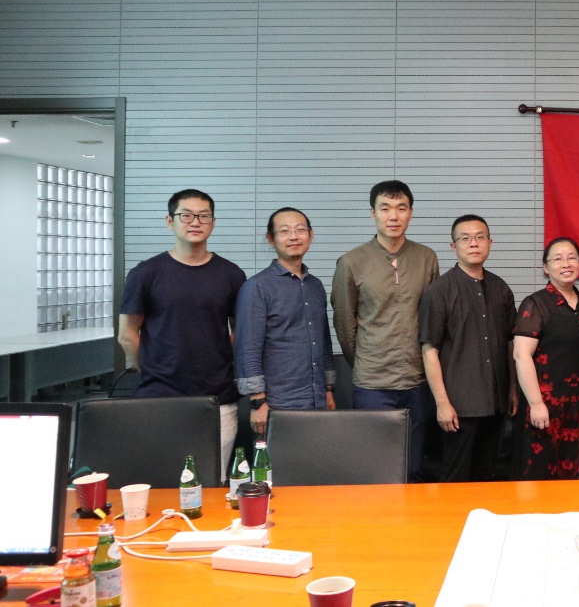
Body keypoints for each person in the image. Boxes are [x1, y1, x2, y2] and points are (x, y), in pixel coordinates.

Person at [118, 189, 246, 481]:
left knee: (213, 480)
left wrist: (217, 361)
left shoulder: (231, 274)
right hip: (159, 396)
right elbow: (127, 334)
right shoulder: (145, 273)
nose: (195, 222)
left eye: (204, 216)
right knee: (161, 479)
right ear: (170, 221)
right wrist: (153, 369)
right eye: (186, 215)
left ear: (213, 223)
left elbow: (240, 331)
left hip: (217, 396)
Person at [331, 180, 439, 482]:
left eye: (401, 208)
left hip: (418, 379)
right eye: (385, 208)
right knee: (375, 467)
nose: (393, 216)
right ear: (373, 213)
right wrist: (365, 359)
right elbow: (344, 323)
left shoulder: (426, 258)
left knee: (415, 466)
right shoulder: (351, 262)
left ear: (411, 213)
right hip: (373, 382)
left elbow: (433, 318)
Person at [420, 214, 517, 482]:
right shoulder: (438, 291)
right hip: (459, 405)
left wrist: (512, 390)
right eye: (465, 238)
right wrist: (442, 403)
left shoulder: (501, 288)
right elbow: (429, 351)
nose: (473, 243)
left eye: (479, 237)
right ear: (453, 246)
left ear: (489, 243)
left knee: (488, 476)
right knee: (456, 478)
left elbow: (510, 343)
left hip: (496, 403)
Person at [234, 208, 336, 436]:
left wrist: (328, 389)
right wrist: (258, 401)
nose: (293, 236)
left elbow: (323, 341)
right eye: (284, 231)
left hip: (317, 399)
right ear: (271, 239)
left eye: (300, 230)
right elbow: (248, 348)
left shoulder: (315, 286)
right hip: (277, 404)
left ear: (310, 235)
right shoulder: (257, 287)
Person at [512, 237, 579, 480]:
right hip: (546, 408)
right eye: (557, 259)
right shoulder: (536, 304)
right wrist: (536, 403)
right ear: (546, 267)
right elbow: (521, 355)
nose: (566, 264)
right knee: (543, 475)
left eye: (572, 258)